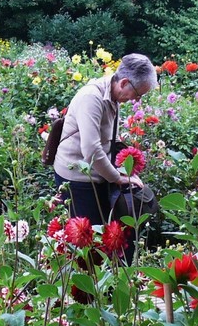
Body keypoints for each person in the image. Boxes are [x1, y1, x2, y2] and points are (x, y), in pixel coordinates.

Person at [53, 54, 157, 230]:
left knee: (102, 233)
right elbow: (91, 150)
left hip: (98, 175)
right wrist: (118, 178)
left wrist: (127, 168)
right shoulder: (91, 98)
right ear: (124, 83)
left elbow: (109, 138)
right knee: (87, 238)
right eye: (138, 94)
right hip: (77, 179)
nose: (136, 100)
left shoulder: (113, 94)